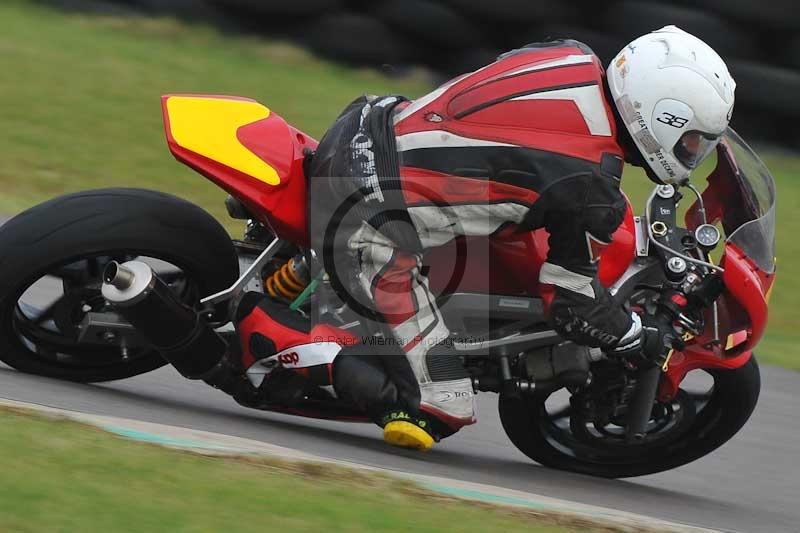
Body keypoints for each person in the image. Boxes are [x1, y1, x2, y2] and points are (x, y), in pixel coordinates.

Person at [222, 26, 736, 450]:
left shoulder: (573, 57)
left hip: (371, 122)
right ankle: (268, 334)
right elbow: (570, 305)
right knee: (444, 403)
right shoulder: (589, 182)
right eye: (692, 140)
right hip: (365, 215)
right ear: (659, 116)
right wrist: (632, 336)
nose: (693, 152)